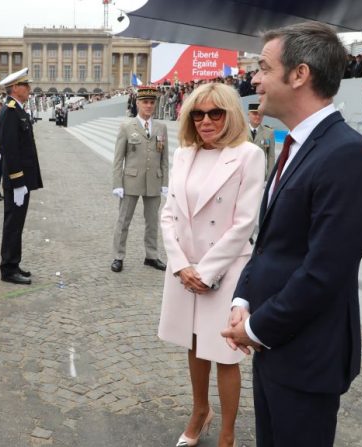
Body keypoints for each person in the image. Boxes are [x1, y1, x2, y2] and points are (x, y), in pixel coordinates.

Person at [220, 22, 362, 447]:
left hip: (306, 356)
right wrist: (243, 298)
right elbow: (272, 241)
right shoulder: (297, 143)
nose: (254, 78)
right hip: (273, 345)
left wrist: (256, 328)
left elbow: (324, 272)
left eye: (263, 67)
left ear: (300, 74)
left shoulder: (348, 156)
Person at [158, 83, 265, 447]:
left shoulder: (249, 154)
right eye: (198, 113)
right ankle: (200, 411)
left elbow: (244, 223)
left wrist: (206, 271)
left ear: (230, 115)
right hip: (184, 268)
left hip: (226, 268)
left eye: (215, 113)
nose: (205, 121)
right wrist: (179, 265)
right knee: (193, 341)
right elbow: (169, 213)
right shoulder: (184, 153)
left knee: (224, 352)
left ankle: (227, 433)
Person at [110, 85, 169, 273]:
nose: (149, 106)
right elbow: (119, 159)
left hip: (154, 181)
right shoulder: (127, 126)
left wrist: (165, 183)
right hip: (131, 182)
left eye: (152, 102)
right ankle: (118, 256)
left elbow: (165, 159)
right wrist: (117, 184)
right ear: (138, 103)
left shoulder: (161, 127)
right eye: (145, 102)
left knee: (152, 222)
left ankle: (151, 256)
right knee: (123, 220)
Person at [0, 68, 43, 285]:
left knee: (17, 224)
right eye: (26, 85)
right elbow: (10, 150)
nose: (29, 89)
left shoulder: (18, 110)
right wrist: (17, 181)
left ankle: (14, 264)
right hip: (16, 180)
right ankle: (8, 269)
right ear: (15, 88)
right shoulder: (9, 111)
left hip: (21, 179)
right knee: (13, 225)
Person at [247, 103, 276, 180]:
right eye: (254, 113)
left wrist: (270, 177)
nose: (258, 116)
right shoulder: (240, 131)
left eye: (260, 114)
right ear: (248, 114)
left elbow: (271, 157)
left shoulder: (269, 133)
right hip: (242, 172)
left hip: (259, 174)